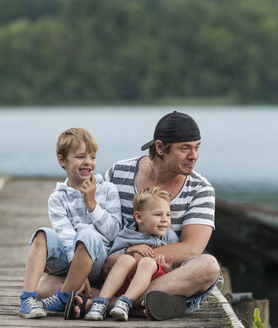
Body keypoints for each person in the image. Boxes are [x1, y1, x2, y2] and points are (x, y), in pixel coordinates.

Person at [76, 110, 220, 320]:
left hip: (164, 273)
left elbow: (191, 249)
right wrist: (89, 265)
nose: (194, 155)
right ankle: (140, 303)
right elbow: (94, 222)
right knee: (46, 286)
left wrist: (135, 255)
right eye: (185, 148)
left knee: (208, 266)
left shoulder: (201, 189)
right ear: (160, 147)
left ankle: (107, 303)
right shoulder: (119, 171)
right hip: (114, 267)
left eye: (197, 147)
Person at [19, 128, 122, 319]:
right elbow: (65, 234)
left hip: (97, 260)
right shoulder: (57, 198)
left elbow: (114, 233)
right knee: (42, 234)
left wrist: (92, 204)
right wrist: (77, 273)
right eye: (80, 156)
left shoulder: (107, 190)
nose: (88, 162)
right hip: (69, 259)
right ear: (62, 161)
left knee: (87, 235)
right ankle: (27, 299)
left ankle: (64, 296)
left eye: (92, 156)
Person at [84, 186, 179, 321]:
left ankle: (125, 303)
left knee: (147, 262)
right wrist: (130, 250)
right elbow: (110, 261)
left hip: (151, 284)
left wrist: (167, 270)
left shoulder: (170, 238)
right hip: (123, 283)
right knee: (126, 259)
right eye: (158, 214)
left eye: (167, 215)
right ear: (139, 217)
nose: (165, 219)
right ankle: (100, 303)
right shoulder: (126, 235)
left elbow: (177, 269)